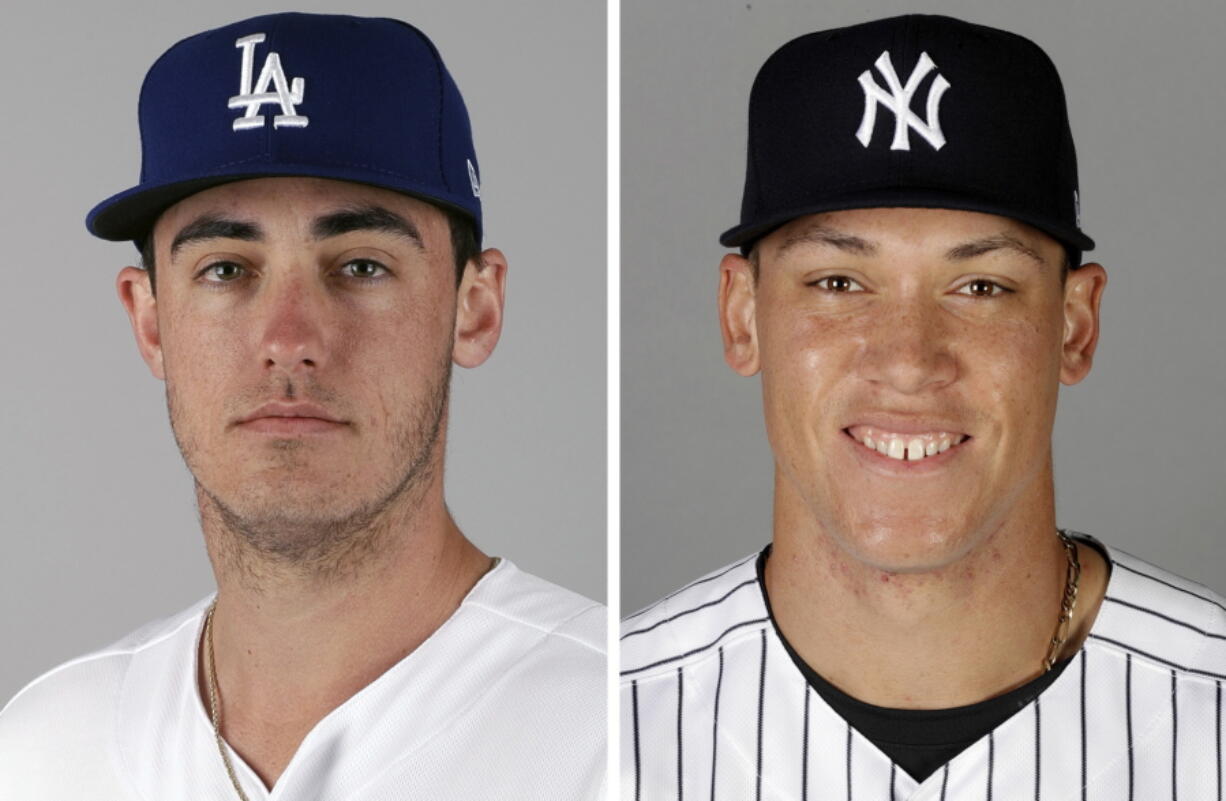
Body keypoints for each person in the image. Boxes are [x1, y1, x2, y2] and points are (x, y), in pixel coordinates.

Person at [0, 13, 605, 800]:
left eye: (359, 264)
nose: (288, 338)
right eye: (225, 270)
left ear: (475, 308)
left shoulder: (615, 729)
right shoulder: (46, 749)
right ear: (150, 321)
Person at [621, 14, 1225, 799]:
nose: (908, 360)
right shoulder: (607, 727)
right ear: (742, 315)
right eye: (838, 283)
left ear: (1075, 326)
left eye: (982, 286)